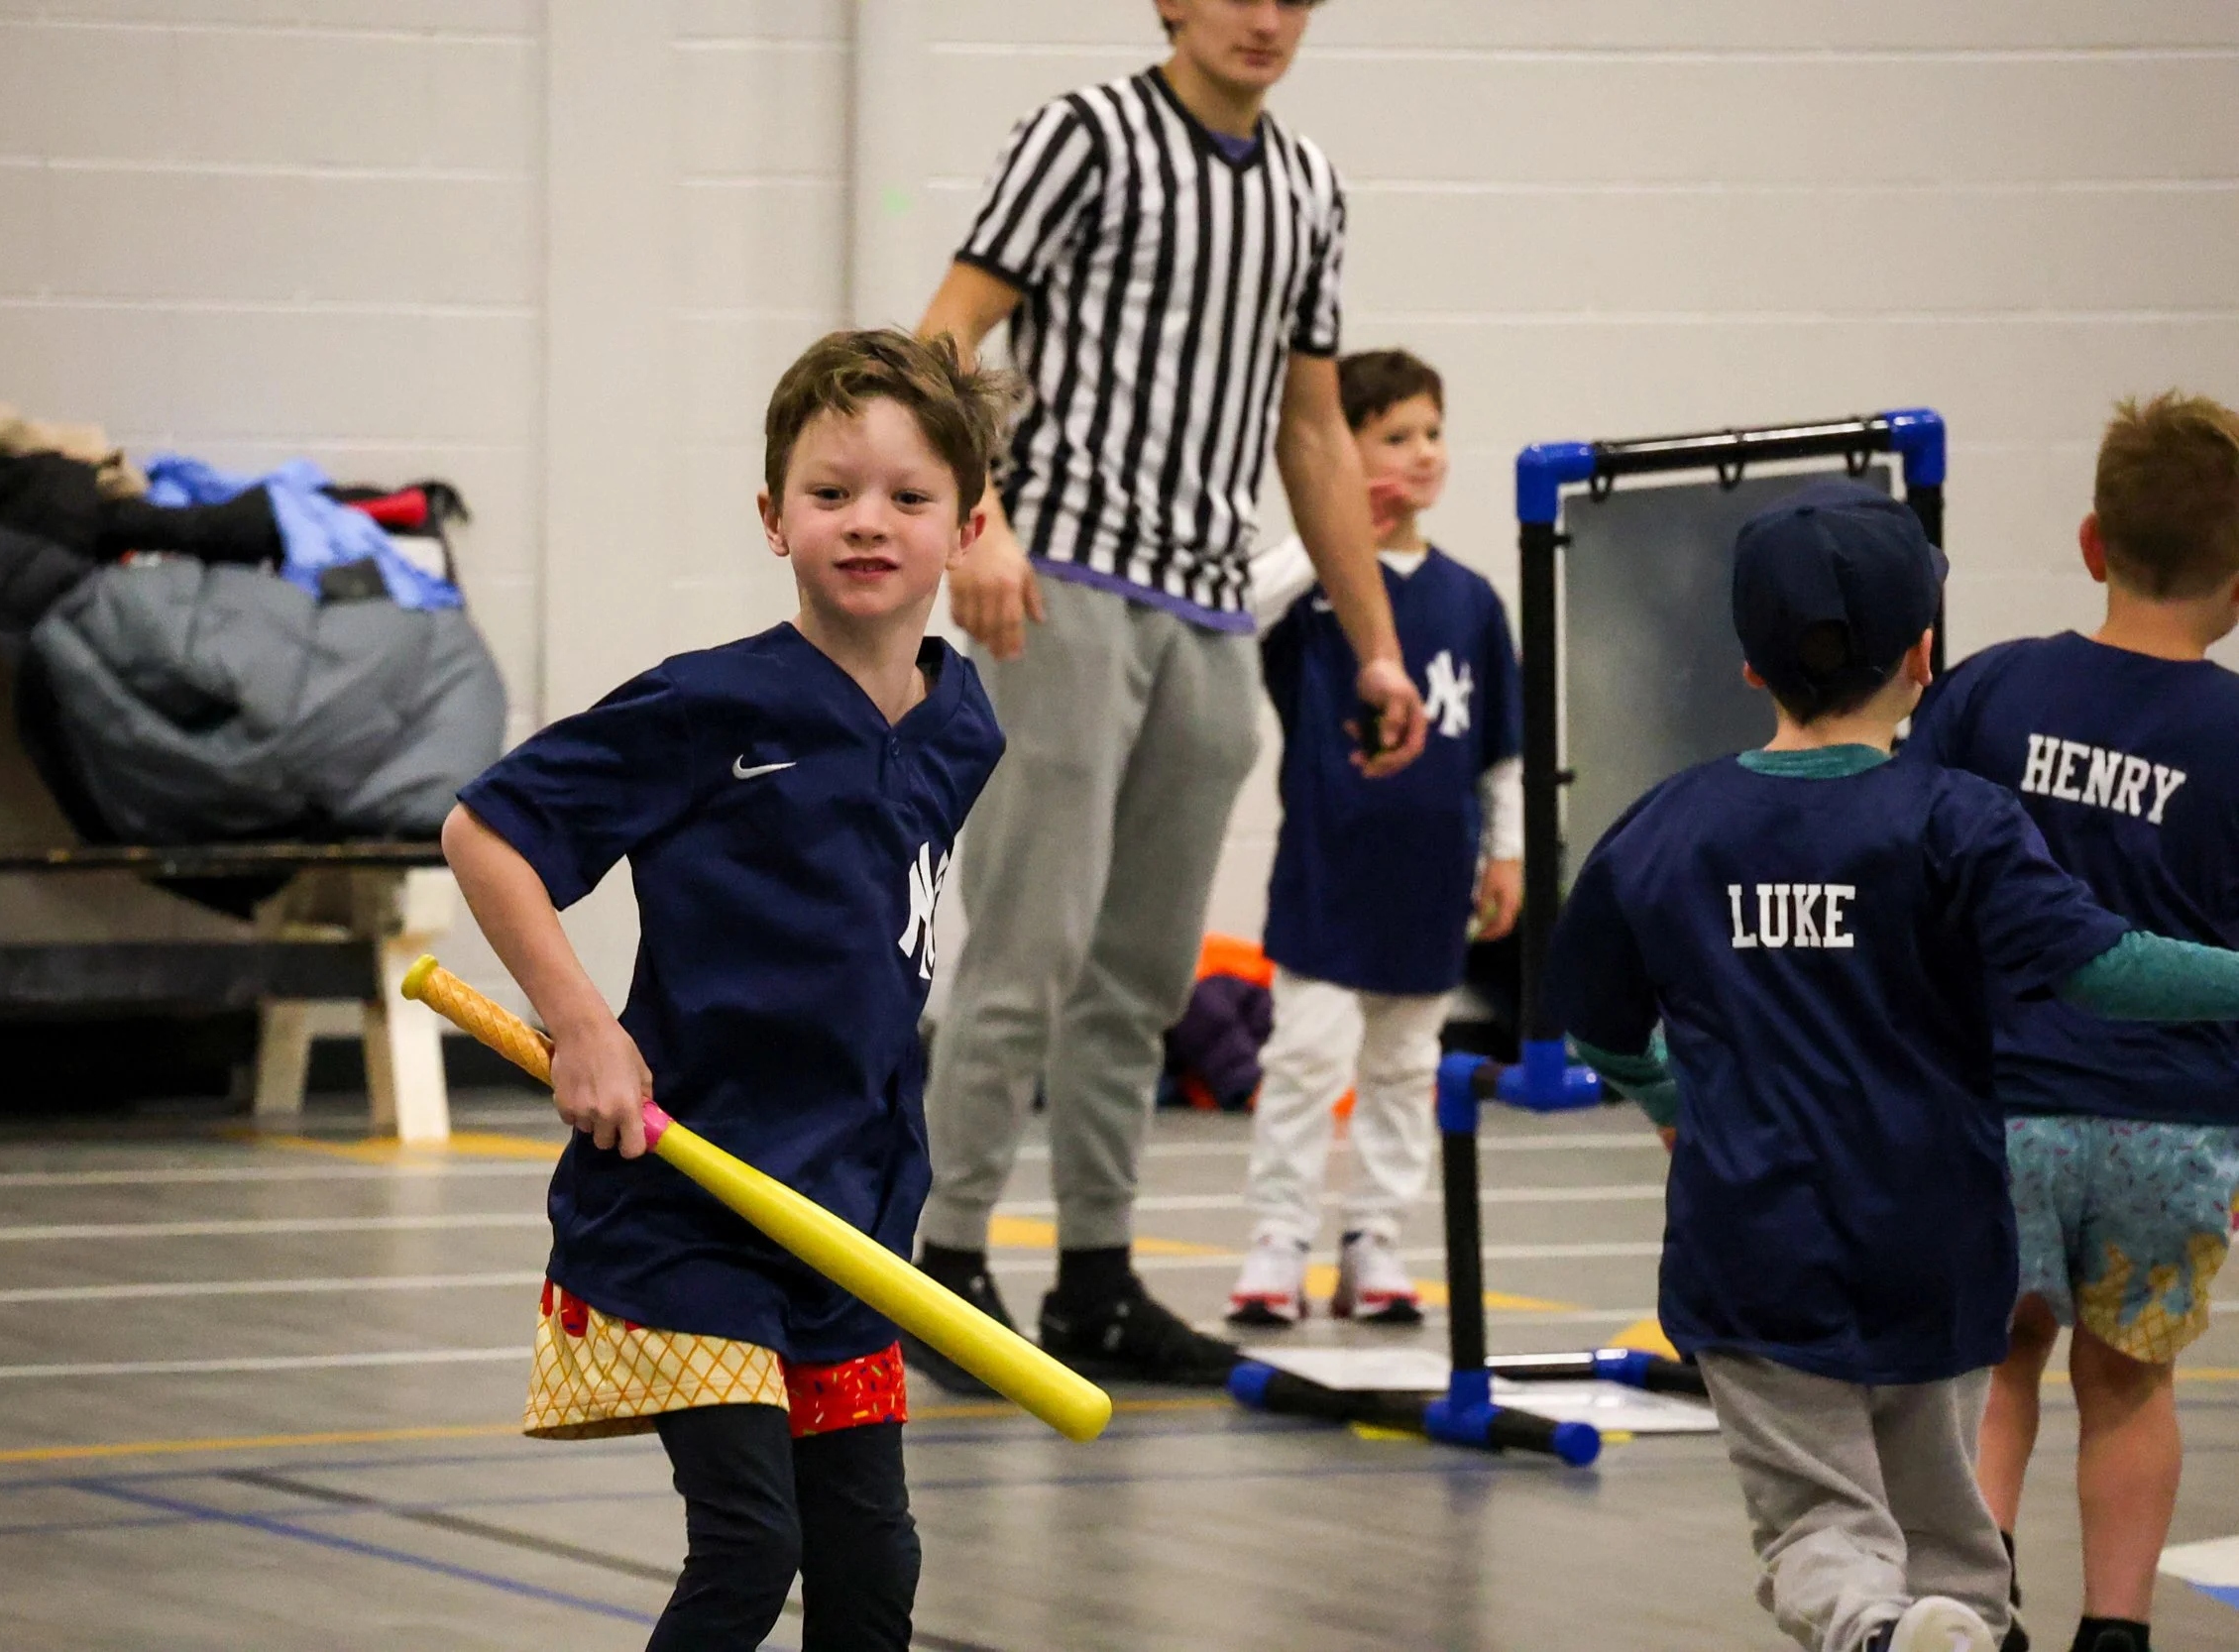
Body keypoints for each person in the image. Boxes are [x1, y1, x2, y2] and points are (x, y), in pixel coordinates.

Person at [1543, 480, 2239, 1652]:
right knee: (1943, 1512)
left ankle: (1871, 1630)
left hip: (1753, 1246)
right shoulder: (1956, 822)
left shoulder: (1662, 829)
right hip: (1936, 1235)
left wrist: (1670, 1101)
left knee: (1818, 1518)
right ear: (1922, 654)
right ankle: (1959, 1620)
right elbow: (2104, 966)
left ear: (1752, 665)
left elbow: (1597, 1025)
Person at [439, 330, 1008, 1652]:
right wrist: (583, 1024)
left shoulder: (963, 721)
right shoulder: (710, 704)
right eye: (830, 492)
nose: (868, 521)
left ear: (968, 526)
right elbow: (490, 831)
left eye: (909, 498)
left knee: (872, 1577)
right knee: (754, 1539)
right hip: (688, 1197)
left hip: (853, 1207)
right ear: (773, 517)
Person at [909, 0, 1427, 1390]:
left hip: (1205, 609)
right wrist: (980, 521)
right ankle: (939, 1255)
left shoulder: (1310, 188)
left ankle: (1093, 1273)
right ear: (1172, 4)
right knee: (1029, 940)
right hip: (1062, 579)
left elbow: (1311, 426)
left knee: (1139, 970)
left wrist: (1372, 641)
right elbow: (947, 332)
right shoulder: (1087, 136)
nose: (1265, 18)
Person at [1905, 392, 2239, 1652]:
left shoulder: (1992, 691)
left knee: (1993, 1362)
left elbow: (1911, 858)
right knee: (2130, 1378)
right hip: (2172, 1123)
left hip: (2000, 1106)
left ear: (2093, 541)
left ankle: (1966, 1604)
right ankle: (2115, 1631)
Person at [1226, 349, 1522, 1325]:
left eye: (1431, 431)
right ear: (1339, 450)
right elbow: (1234, 608)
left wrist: (1507, 851)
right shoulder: (1312, 591)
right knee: (1305, 1056)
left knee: (1403, 1065)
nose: (1421, 452)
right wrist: (1335, 528)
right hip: (1327, 861)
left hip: (1431, 872)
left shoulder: (1472, 600)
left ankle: (1375, 1241)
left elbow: (1501, 754)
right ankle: (1277, 1240)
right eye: (1394, 435)